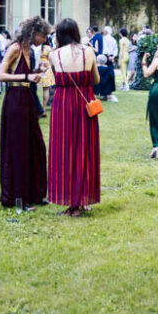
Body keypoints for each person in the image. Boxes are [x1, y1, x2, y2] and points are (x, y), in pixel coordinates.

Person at [0, 16, 50, 210]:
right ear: (34, 33)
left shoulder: (30, 51)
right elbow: (0, 75)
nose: (45, 40)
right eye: (43, 36)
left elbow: (24, 75)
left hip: (27, 99)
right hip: (15, 101)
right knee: (18, 149)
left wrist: (36, 71)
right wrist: (27, 75)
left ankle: (35, 193)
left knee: (35, 146)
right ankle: (18, 198)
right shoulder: (15, 48)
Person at [49, 18, 101, 217]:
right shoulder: (89, 51)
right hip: (85, 101)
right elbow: (96, 79)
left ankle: (72, 202)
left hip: (63, 103)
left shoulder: (54, 55)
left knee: (64, 150)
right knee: (85, 148)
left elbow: (53, 79)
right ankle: (83, 198)